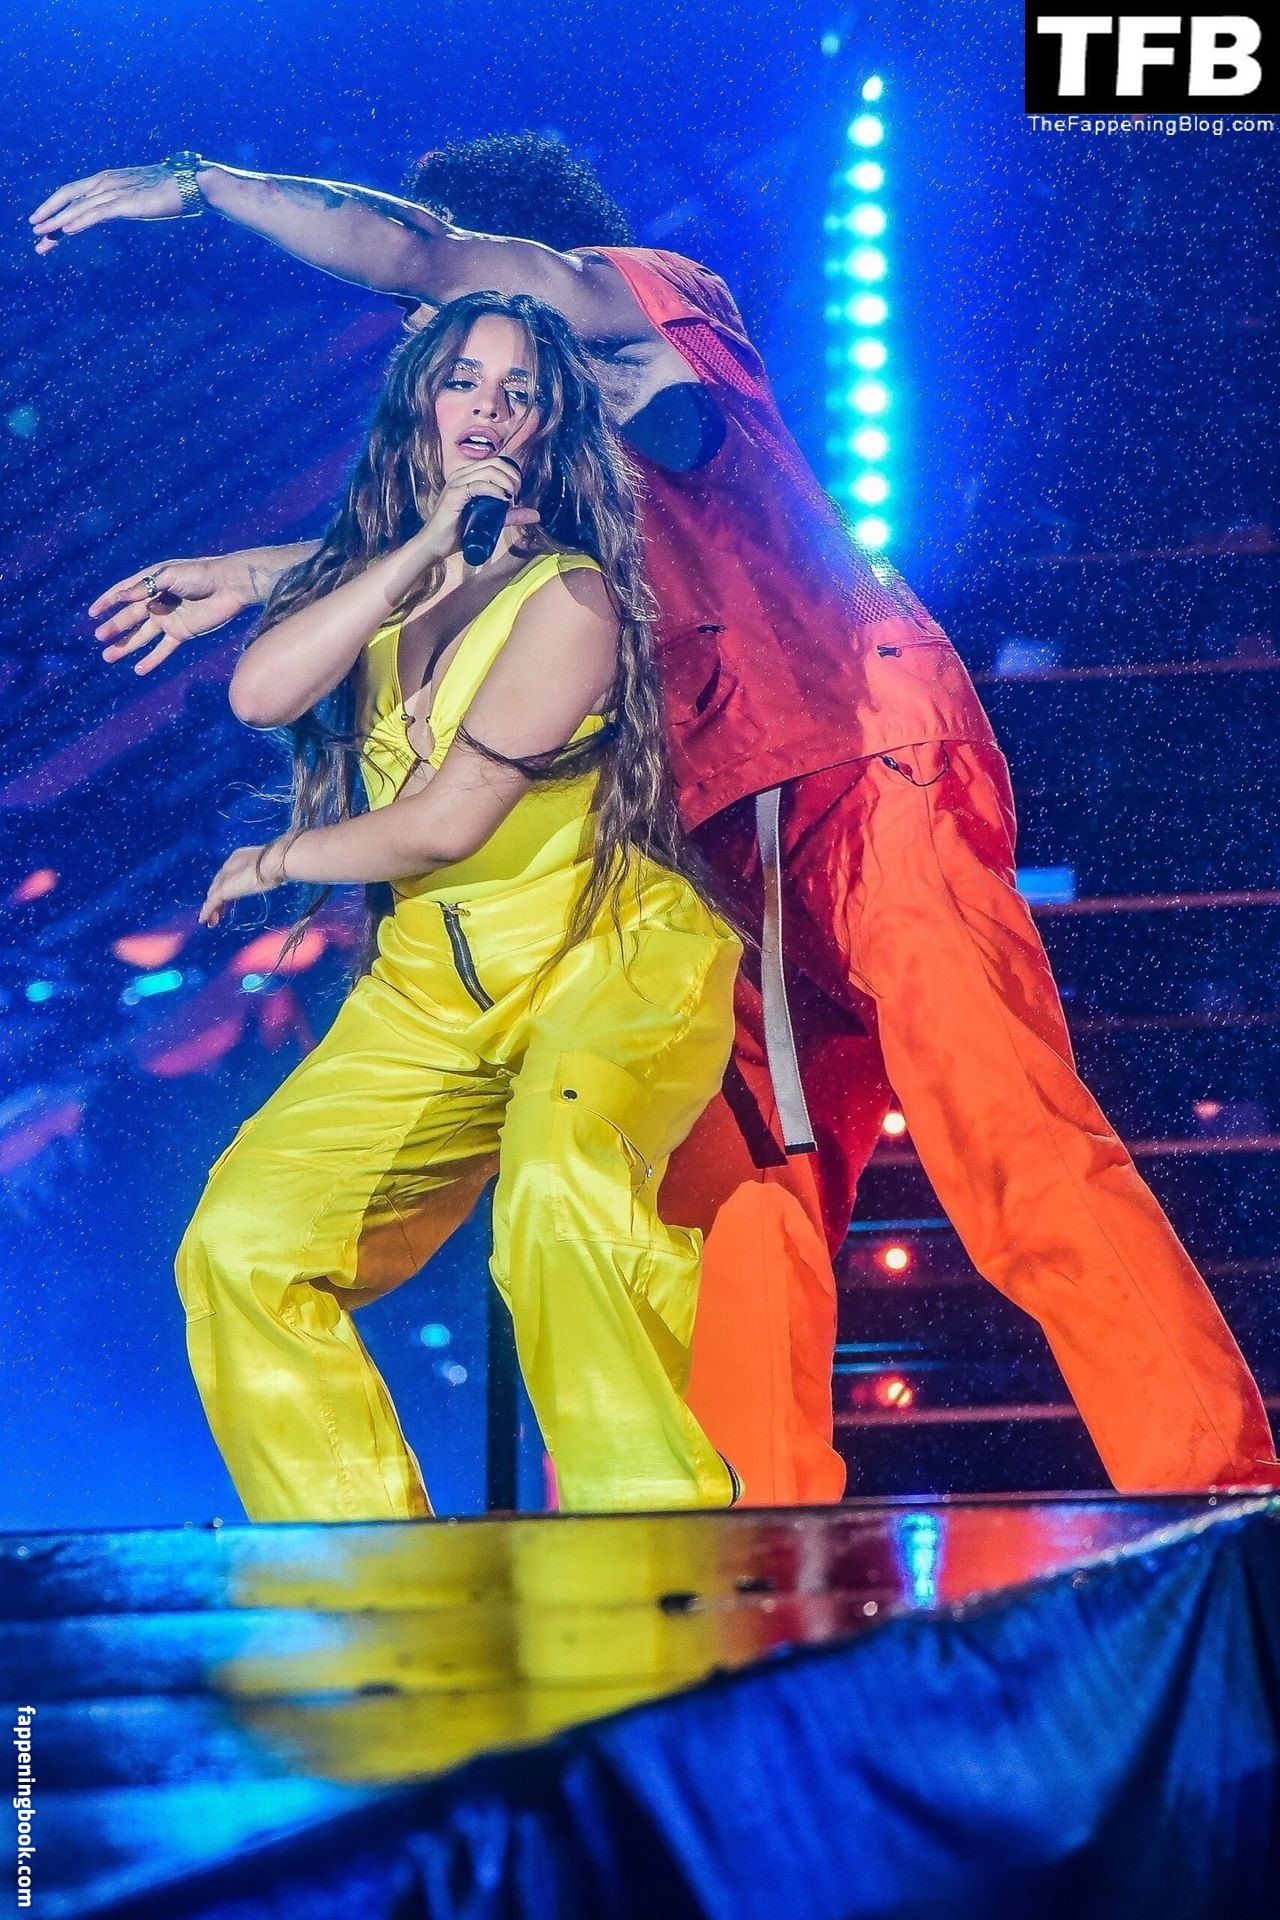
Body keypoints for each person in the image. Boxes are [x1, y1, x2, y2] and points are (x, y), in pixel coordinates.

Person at [36, 135, 1280, 1498]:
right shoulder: (553, 467)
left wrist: (207, 185)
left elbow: (417, 252)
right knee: (725, 1209)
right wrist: (257, 573)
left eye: (450, 333)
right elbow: (450, 555)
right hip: (708, 854)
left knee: (1006, 1131)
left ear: (517, 271)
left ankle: (1212, 1493)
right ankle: (728, 1563)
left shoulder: (646, 299)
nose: (456, 384)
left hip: (861, 770)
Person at [171, 288, 743, 1520]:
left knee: (556, 1196)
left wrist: (280, 860)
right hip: (431, 997)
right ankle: (365, 1572)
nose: (486, 407)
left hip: (601, 965)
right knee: (241, 1243)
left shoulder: (572, 599)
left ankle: (653, 1543)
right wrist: (418, 547)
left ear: (545, 429)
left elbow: (447, 821)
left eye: (517, 392)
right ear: (421, 406)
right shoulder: (389, 581)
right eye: (462, 381)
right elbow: (261, 695)